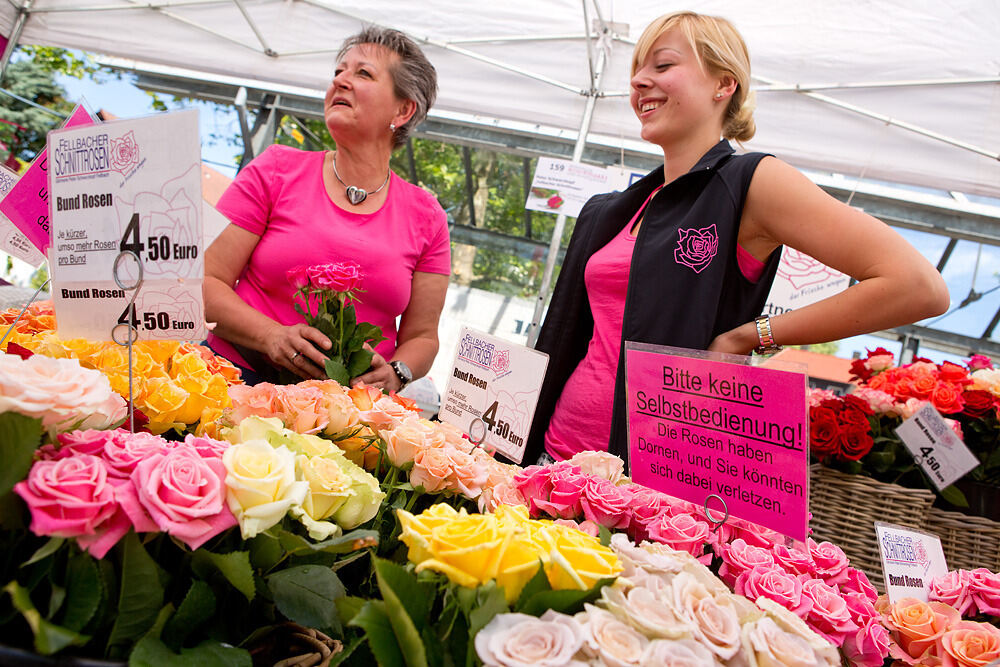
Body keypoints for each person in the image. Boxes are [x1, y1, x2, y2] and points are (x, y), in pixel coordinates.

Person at [524, 11, 949, 468]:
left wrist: (749, 337)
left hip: (648, 477)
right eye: (636, 71)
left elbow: (918, 286)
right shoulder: (627, 205)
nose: (640, 82)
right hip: (557, 451)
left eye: (662, 66)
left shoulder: (750, 181)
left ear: (723, 84)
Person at [204, 27, 450, 391]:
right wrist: (271, 336)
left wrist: (397, 373)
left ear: (403, 109)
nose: (341, 82)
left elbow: (424, 338)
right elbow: (204, 283)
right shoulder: (275, 170)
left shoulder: (427, 216)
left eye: (362, 73)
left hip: (346, 414)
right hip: (233, 384)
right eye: (338, 72)